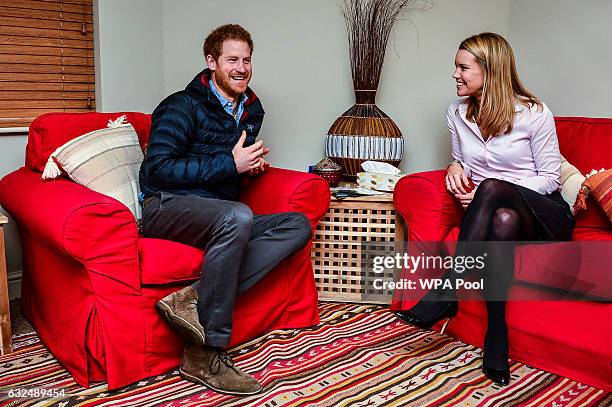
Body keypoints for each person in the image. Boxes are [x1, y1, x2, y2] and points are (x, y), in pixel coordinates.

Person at [139, 24, 312, 396]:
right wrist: (229, 165)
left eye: (246, 59)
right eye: (232, 59)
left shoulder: (250, 108)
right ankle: (205, 353)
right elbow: (158, 169)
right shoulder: (180, 105)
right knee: (238, 214)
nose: (241, 67)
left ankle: (192, 296)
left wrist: (248, 167)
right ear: (211, 61)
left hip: (218, 212)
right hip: (165, 207)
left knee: (296, 225)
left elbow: (227, 168)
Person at [395, 32, 574, 385]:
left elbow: (551, 179)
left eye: (463, 67)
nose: (455, 74)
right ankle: (496, 336)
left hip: (545, 215)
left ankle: (448, 289)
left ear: (490, 71)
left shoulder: (534, 113)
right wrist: (454, 168)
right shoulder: (457, 112)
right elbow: (464, 162)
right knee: (502, 221)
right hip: (497, 214)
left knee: (497, 194)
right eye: (456, 67)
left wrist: (490, 192)